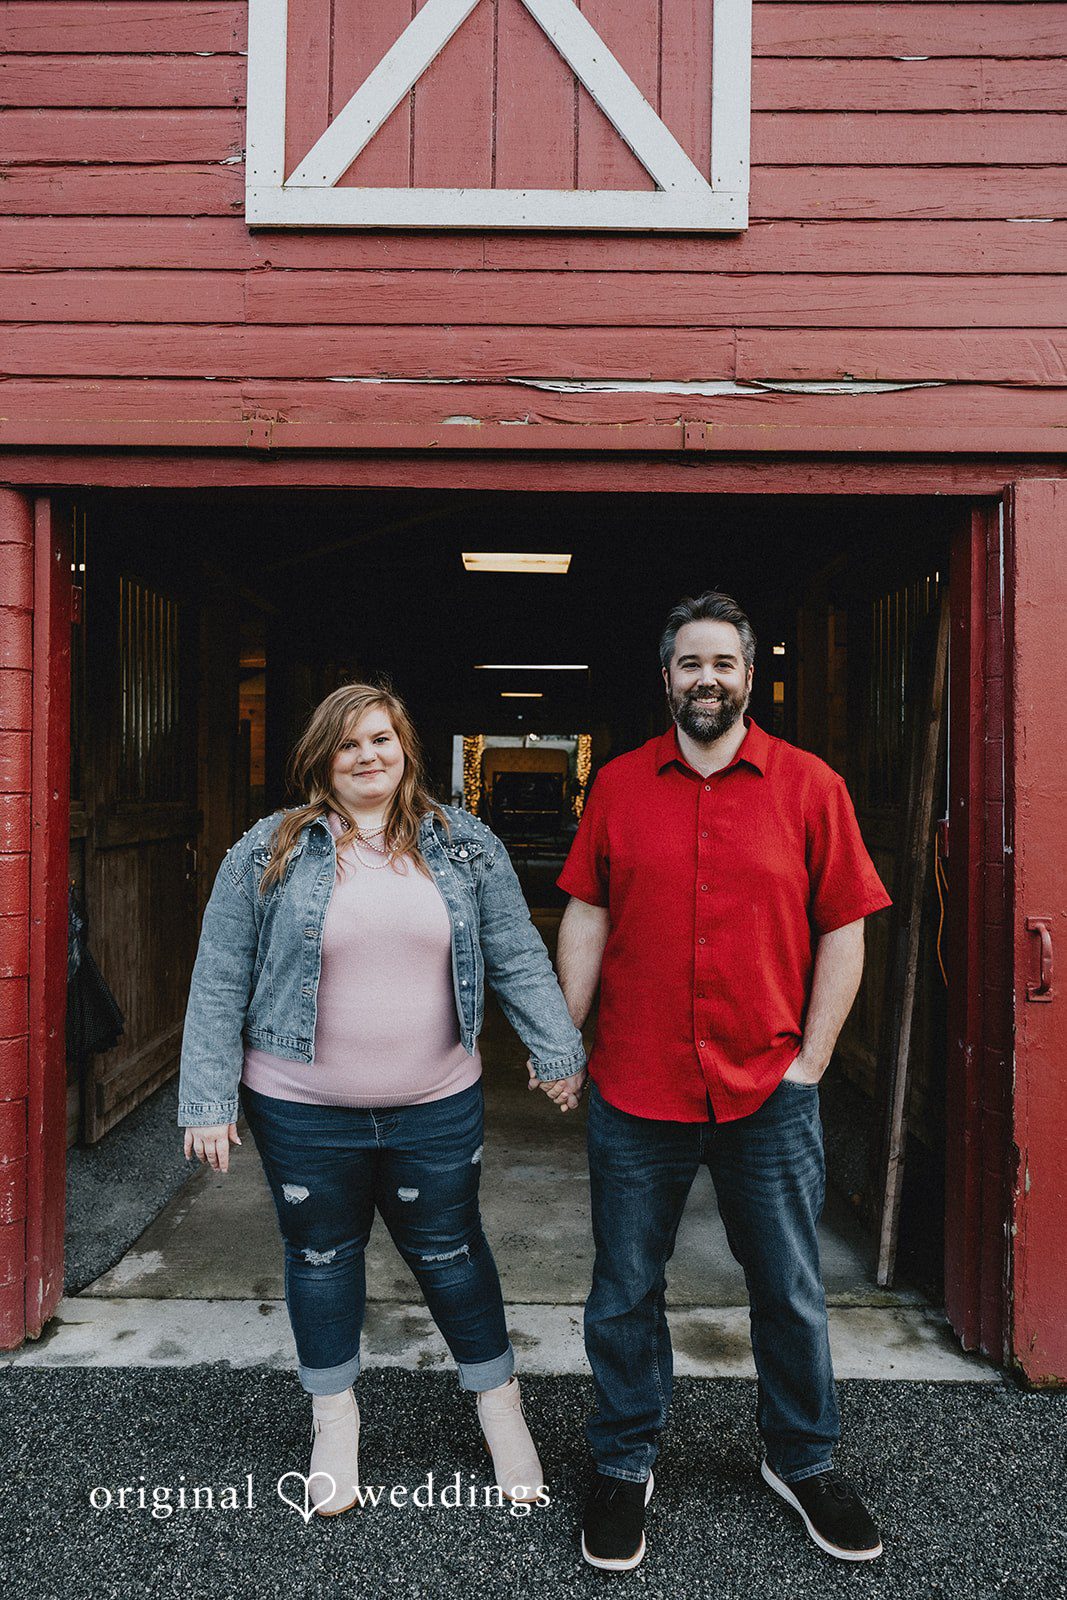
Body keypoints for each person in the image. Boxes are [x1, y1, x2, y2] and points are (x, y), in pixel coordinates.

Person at [536, 591, 892, 1569]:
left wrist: (810, 1062)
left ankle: (803, 1460)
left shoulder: (809, 786)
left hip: (766, 1086)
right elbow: (584, 915)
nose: (706, 679)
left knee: (785, 1285)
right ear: (665, 678)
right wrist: (562, 1040)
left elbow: (843, 929)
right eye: (689, 663)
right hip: (634, 1083)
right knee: (621, 1289)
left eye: (722, 664)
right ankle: (621, 1463)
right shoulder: (615, 786)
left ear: (748, 675)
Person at [178, 682, 586, 1515]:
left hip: (434, 1103)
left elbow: (513, 951)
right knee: (321, 1256)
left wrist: (556, 1051)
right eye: (348, 744)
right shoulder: (268, 851)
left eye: (382, 740)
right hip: (299, 1105)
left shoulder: (465, 845)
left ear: (406, 749)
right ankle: (335, 1421)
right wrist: (206, 1098)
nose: (368, 757)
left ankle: (501, 1411)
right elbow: (220, 977)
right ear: (322, 758)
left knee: (450, 1252)